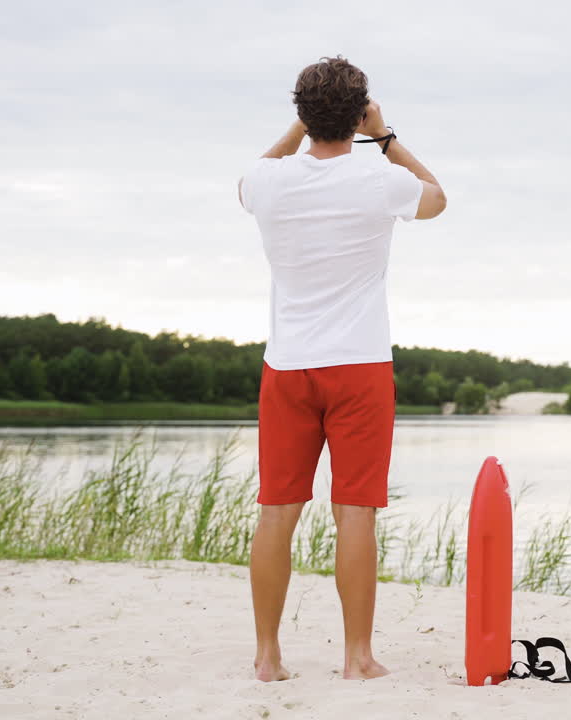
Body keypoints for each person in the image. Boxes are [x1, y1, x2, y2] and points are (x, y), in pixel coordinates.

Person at [237, 55, 446, 683]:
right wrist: (383, 136)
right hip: (358, 366)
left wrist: (301, 128)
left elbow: (253, 175)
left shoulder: (269, 183)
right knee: (355, 513)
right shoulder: (379, 178)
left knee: (277, 510)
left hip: (288, 367)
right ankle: (357, 658)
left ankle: (268, 657)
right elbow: (437, 198)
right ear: (359, 114)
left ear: (301, 115)